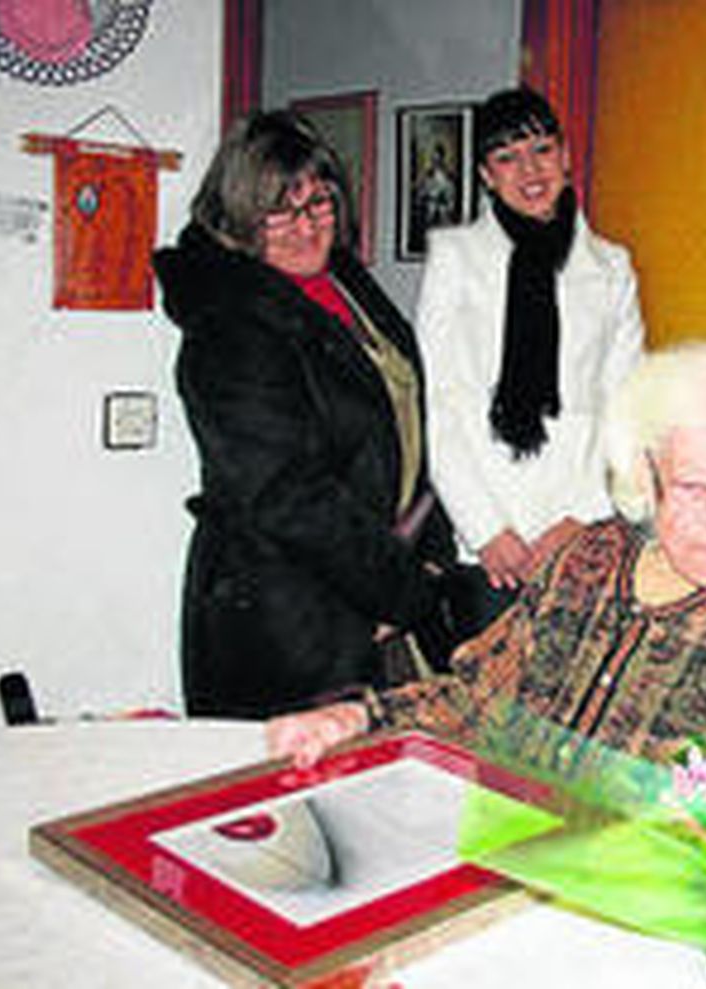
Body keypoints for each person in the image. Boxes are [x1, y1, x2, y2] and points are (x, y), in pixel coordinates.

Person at [268, 343, 706, 768]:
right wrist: (358, 718)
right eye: (694, 490)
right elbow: (477, 700)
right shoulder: (586, 559)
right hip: (511, 861)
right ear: (646, 474)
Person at [155, 110, 475, 718]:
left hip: (377, 593)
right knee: (298, 802)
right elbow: (286, 495)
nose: (305, 228)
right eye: (280, 210)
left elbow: (407, 423)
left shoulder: (347, 283)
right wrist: (399, 592)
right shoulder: (229, 324)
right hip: (291, 616)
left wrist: (430, 556)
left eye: (320, 203)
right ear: (239, 215)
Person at [415, 86, 645, 632]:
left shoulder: (611, 267)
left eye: (542, 149)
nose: (530, 170)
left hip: (580, 527)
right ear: (485, 175)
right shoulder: (455, 259)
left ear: (566, 157)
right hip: (488, 544)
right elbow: (441, 407)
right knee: (490, 713)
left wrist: (580, 520)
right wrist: (486, 531)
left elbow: (626, 409)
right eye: (507, 157)